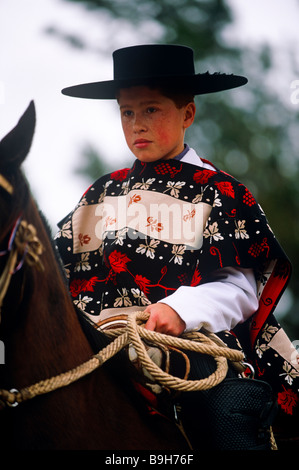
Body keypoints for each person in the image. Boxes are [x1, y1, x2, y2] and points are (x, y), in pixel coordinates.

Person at [56, 45, 298, 449]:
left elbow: (239, 292)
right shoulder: (100, 193)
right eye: (127, 112)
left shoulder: (221, 192)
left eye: (151, 109)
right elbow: (57, 271)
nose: (137, 125)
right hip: (93, 341)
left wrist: (177, 310)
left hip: (190, 343)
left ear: (187, 114)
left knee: (226, 417)